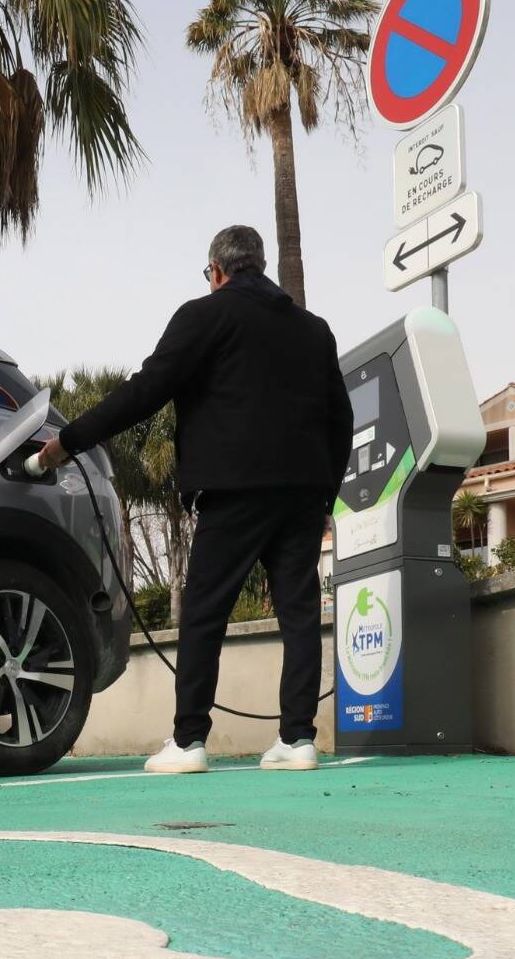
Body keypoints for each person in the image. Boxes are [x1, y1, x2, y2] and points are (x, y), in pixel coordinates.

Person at [33, 225, 352, 774]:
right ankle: (298, 740)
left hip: (234, 491)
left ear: (218, 271)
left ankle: (188, 742)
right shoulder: (313, 330)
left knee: (204, 614)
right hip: (302, 493)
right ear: (261, 264)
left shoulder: (205, 315)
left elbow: (145, 390)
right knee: (300, 615)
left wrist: (67, 443)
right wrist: (325, 489)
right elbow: (340, 417)